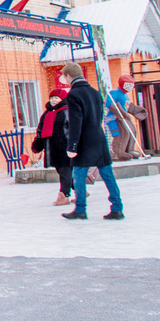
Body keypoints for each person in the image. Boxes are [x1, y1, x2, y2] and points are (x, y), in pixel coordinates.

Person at [60, 63, 125, 220]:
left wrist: (72, 145)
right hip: (99, 139)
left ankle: (80, 209)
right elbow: (98, 116)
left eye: (64, 76)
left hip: (83, 142)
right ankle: (117, 207)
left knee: (79, 175)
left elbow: (75, 122)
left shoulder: (74, 95)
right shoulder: (95, 92)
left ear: (69, 76)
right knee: (108, 174)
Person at [31, 88, 74, 206]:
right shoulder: (47, 113)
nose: (54, 100)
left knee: (65, 171)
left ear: (63, 99)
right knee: (61, 171)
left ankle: (64, 195)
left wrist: (75, 144)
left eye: (56, 98)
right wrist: (37, 143)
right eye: (52, 98)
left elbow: (74, 129)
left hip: (66, 147)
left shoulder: (67, 111)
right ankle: (80, 190)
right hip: (53, 148)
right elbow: (40, 130)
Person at [105, 74, 147, 161]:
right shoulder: (114, 92)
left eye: (131, 85)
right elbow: (109, 103)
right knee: (123, 132)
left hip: (124, 118)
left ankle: (129, 150)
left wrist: (135, 110)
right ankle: (118, 152)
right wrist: (119, 111)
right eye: (127, 85)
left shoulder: (125, 95)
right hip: (115, 118)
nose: (129, 87)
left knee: (132, 130)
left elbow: (127, 105)